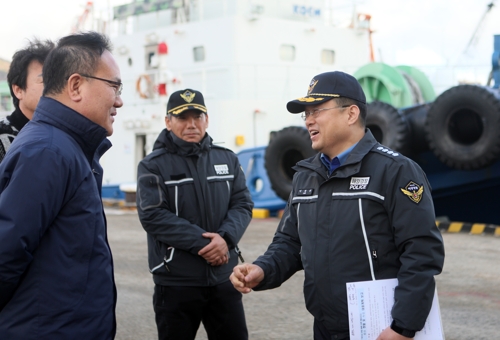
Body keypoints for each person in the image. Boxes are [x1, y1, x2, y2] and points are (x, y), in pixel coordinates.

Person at [230, 71, 445, 340]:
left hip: (382, 329)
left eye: (317, 110)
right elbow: (289, 242)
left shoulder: (396, 172)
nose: (309, 120)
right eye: (305, 113)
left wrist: (403, 327)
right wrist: (263, 269)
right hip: (325, 328)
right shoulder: (305, 176)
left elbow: (421, 254)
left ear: (351, 114)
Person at [0, 31, 123, 339]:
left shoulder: (65, 146)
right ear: (76, 85)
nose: (119, 100)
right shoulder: (49, 151)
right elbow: (6, 253)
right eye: (114, 86)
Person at [137, 88, 253, 340]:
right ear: (168, 122)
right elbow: (153, 216)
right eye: (182, 117)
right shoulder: (153, 165)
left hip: (224, 279)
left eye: (197, 116)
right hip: (176, 281)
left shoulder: (227, 159)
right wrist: (209, 245)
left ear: (206, 119)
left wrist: (225, 239)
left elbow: (242, 204)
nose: (191, 124)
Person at [0, 38, 54, 162]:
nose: (54, 87)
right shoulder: (4, 140)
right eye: (45, 81)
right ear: (18, 90)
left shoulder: (63, 136)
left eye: (57, 81)